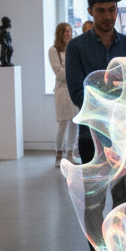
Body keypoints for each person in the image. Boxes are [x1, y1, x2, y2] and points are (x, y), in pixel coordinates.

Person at [66, 0, 126, 251]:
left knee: (124, 201)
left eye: (112, 10)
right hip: (92, 138)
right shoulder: (77, 48)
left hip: (125, 137)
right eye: (101, 11)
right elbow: (77, 94)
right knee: (94, 203)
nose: (108, 16)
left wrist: (107, 91)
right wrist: (114, 92)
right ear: (90, 12)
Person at [48, 23, 78, 167]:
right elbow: (58, 71)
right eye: (66, 31)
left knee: (75, 123)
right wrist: (74, 75)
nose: (68, 34)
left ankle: (70, 154)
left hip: (74, 89)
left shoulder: (73, 49)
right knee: (63, 123)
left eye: (70, 31)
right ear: (60, 33)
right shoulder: (54, 50)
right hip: (62, 90)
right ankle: (59, 155)